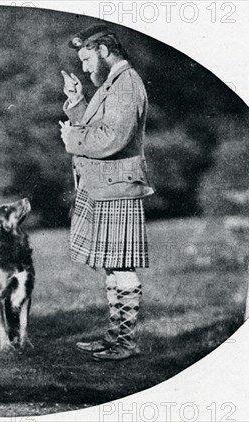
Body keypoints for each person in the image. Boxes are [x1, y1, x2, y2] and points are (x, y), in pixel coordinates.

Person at [59, 24, 155, 361]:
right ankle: (115, 339)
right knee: (113, 267)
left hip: (116, 187)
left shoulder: (126, 85)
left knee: (122, 267)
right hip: (106, 185)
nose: (85, 69)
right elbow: (97, 126)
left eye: (87, 59)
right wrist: (76, 101)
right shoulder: (113, 84)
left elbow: (111, 139)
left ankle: (125, 343)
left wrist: (72, 139)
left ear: (103, 50)